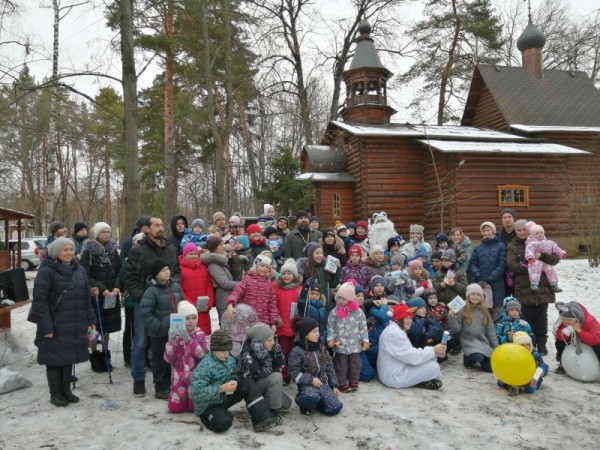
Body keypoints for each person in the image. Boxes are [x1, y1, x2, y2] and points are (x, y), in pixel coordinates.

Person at [30, 237, 96, 406]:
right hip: (55, 323)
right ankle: (55, 393)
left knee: (68, 357)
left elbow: (85, 298)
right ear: (55, 252)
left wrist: (90, 321)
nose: (69, 253)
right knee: (54, 359)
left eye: (71, 249)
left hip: (74, 322)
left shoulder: (78, 269)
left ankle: (66, 390)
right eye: (64, 250)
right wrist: (46, 326)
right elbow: (39, 301)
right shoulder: (46, 271)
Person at [126, 215, 181, 398]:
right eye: (156, 225)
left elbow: (177, 272)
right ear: (147, 229)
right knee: (140, 343)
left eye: (161, 224)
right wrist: (143, 297)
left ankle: (166, 382)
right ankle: (139, 380)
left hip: (168, 303)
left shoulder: (171, 249)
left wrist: (174, 289)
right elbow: (131, 278)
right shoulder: (138, 250)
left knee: (168, 343)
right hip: (146, 304)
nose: (160, 228)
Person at [191, 329, 282, 432]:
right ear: (213, 349)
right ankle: (206, 416)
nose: (226, 354)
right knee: (224, 422)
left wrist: (234, 381)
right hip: (208, 405)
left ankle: (262, 418)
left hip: (225, 396)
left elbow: (235, 375)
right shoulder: (204, 366)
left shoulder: (229, 359)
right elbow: (196, 393)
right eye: (222, 351)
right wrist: (220, 388)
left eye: (228, 350)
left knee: (247, 382)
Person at [506, 219, 559, 355]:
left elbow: (555, 259)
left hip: (542, 285)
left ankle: (541, 344)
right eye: (519, 230)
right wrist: (529, 266)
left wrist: (542, 256)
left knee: (542, 316)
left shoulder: (542, 241)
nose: (522, 232)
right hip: (524, 286)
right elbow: (511, 264)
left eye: (524, 229)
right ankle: (530, 343)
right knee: (527, 316)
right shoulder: (513, 246)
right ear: (516, 231)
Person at [140, 259, 185, 399]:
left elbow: (182, 304)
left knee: (176, 358)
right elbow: (145, 312)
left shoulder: (175, 287)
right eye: (163, 271)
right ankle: (161, 387)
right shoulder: (151, 291)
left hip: (176, 331)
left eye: (167, 269)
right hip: (159, 333)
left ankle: (176, 384)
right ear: (155, 274)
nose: (167, 272)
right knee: (160, 360)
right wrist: (158, 326)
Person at [80, 222, 121, 372]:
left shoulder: (112, 250)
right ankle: (94, 354)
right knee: (94, 328)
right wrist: (101, 288)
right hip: (96, 295)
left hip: (111, 295)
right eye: (103, 232)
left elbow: (118, 270)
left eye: (108, 232)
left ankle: (105, 354)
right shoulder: (88, 251)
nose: (106, 234)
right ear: (97, 233)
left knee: (107, 328)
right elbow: (84, 274)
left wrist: (117, 286)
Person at [377, 304, 445, 390]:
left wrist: (435, 353)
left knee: (431, 364)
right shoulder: (395, 333)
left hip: (392, 371)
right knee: (434, 367)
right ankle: (418, 382)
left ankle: (419, 381)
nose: (409, 321)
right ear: (398, 319)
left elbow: (410, 355)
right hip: (394, 377)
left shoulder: (394, 330)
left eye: (410, 318)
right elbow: (412, 357)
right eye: (406, 318)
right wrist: (433, 351)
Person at [287, 317, 343, 416]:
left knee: (335, 409)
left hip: (323, 385)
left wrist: (333, 385)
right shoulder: (297, 351)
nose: (318, 334)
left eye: (318, 331)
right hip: (308, 386)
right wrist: (311, 380)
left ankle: (320, 402)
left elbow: (329, 367)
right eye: (314, 331)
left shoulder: (321, 348)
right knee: (308, 399)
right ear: (305, 334)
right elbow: (293, 372)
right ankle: (304, 402)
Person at [163, 301, 209, 413]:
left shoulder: (200, 334)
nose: (191, 321)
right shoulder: (176, 335)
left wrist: (189, 341)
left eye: (194, 318)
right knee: (175, 408)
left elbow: (203, 355)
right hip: (179, 375)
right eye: (188, 318)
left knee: (194, 407)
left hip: (195, 374)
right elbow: (168, 358)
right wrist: (171, 342)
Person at [238, 323, 292, 412]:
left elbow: (281, 364)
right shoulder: (247, 355)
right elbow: (264, 373)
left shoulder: (269, 349)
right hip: (252, 389)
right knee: (276, 377)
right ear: (259, 342)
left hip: (264, 384)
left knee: (286, 404)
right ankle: (269, 410)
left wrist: (277, 353)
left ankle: (267, 403)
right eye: (270, 340)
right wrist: (264, 355)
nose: (273, 343)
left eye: (273, 339)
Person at [326, 282, 369, 392]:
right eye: (339, 297)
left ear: (350, 299)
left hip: (355, 343)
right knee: (341, 364)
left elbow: (363, 327)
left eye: (343, 298)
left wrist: (365, 340)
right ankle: (341, 382)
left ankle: (354, 380)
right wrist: (330, 339)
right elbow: (330, 326)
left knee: (356, 363)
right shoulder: (335, 311)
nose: (340, 300)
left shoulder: (358, 312)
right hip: (340, 343)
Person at [448, 283, 499, 372]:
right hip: (468, 340)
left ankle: (479, 357)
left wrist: (496, 347)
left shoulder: (484, 309)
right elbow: (456, 329)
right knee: (478, 356)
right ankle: (468, 358)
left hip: (482, 340)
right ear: (468, 296)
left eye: (478, 295)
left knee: (490, 369)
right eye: (473, 294)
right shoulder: (461, 308)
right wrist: (452, 317)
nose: (476, 297)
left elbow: (490, 330)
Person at [225, 254, 278, 329]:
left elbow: (272, 305)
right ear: (255, 266)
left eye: (267, 267)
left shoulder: (269, 285)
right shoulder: (247, 280)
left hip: (263, 322)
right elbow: (237, 292)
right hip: (246, 321)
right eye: (262, 266)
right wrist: (230, 303)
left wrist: (273, 323)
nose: (264, 269)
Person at [468, 221, 506, 319]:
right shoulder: (478, 248)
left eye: (488, 230)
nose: (486, 233)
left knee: (497, 311)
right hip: (481, 284)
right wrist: (479, 276)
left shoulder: (501, 246)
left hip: (496, 284)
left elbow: (502, 265)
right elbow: (472, 264)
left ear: (493, 231)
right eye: (483, 231)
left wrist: (490, 278)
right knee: (483, 312)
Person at [274, 259, 303, 383]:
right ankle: (285, 374)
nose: (286, 276)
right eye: (284, 273)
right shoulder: (276, 288)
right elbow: (272, 304)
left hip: (295, 325)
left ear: (294, 275)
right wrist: (276, 317)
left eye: (289, 273)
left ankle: (295, 373)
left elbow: (302, 306)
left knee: (295, 351)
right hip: (282, 325)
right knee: (284, 351)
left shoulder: (299, 289)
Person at [200, 236, 239, 324]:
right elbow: (224, 283)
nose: (223, 247)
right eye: (221, 245)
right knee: (227, 325)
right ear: (214, 248)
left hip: (228, 296)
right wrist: (242, 284)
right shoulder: (213, 264)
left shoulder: (220, 261)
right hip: (223, 298)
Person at [179, 242, 215, 335]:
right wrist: (191, 306)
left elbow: (209, 286)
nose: (193, 256)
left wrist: (209, 303)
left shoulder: (203, 267)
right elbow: (180, 290)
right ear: (184, 255)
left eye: (195, 254)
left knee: (203, 337)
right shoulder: (180, 269)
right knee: (189, 338)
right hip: (189, 309)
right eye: (190, 254)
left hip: (204, 309)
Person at [554, 302, 600, 373]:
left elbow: (595, 340)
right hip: (576, 342)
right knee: (559, 343)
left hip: (591, 343)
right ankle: (563, 363)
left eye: (568, 319)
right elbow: (560, 337)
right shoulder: (565, 323)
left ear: (577, 318)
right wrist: (567, 332)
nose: (565, 321)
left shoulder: (589, 321)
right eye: (563, 318)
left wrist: (579, 331)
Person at [497, 331, 548, 395]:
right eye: (522, 345)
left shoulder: (535, 354)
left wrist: (541, 371)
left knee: (530, 388)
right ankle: (512, 387)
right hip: (516, 376)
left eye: (528, 344)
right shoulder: (512, 354)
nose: (526, 347)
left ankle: (521, 388)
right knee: (501, 382)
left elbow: (542, 364)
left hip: (531, 377)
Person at [297, 242, 341, 311]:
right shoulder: (306, 268)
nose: (320, 255)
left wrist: (337, 269)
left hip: (328, 304)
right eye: (317, 253)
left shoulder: (326, 267)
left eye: (321, 253)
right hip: (312, 306)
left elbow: (333, 284)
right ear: (311, 255)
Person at [525, 222, 567, 292]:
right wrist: (530, 257)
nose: (540, 234)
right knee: (535, 269)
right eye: (537, 233)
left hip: (546, 261)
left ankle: (554, 284)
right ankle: (534, 284)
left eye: (541, 232)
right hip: (536, 260)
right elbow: (529, 250)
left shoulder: (549, 242)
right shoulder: (531, 243)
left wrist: (561, 253)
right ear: (532, 235)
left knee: (550, 270)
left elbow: (556, 248)